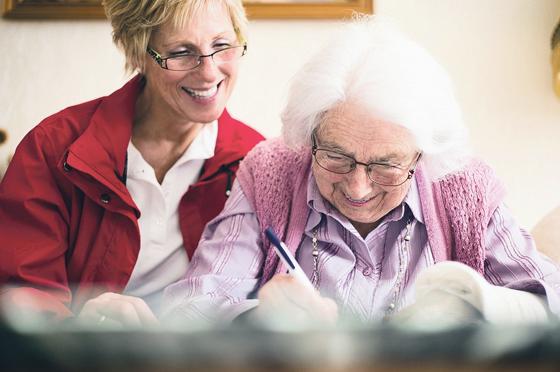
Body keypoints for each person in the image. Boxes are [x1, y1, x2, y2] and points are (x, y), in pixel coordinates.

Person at [162, 15, 560, 327]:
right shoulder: (272, 173)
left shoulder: (463, 187)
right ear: (309, 135)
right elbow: (190, 308)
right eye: (336, 157)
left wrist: (479, 309)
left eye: (386, 165)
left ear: (422, 155)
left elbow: (550, 300)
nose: (357, 185)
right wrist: (256, 320)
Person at [0, 0, 263, 327]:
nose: (209, 72)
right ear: (138, 53)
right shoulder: (53, 148)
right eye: (181, 52)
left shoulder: (258, 163)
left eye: (222, 45)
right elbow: (23, 298)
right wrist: (79, 330)